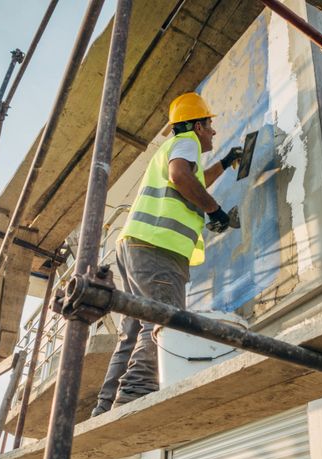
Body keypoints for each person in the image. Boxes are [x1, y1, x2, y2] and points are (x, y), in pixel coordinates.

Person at [91, 92, 242, 416]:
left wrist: (226, 163)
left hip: (135, 245)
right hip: (158, 250)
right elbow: (180, 177)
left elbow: (190, 177)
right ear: (197, 125)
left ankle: (105, 409)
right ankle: (136, 398)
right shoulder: (186, 141)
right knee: (165, 323)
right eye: (210, 125)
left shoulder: (176, 148)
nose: (213, 132)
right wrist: (215, 211)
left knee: (132, 330)